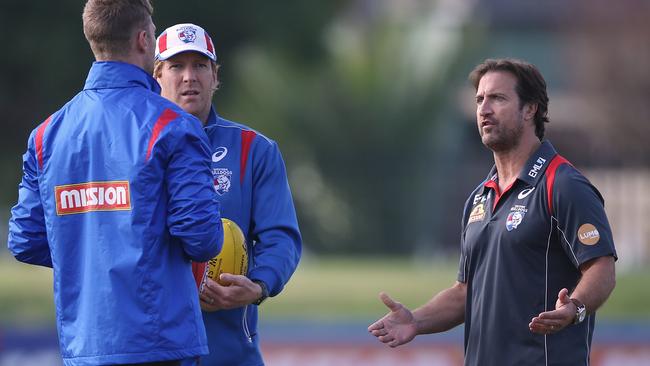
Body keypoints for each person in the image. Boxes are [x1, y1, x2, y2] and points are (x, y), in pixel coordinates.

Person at [7, 2, 223, 365]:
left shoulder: (46, 135)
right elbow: (201, 239)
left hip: (84, 346)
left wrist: (92, 252)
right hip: (159, 343)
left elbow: (25, 240)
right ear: (143, 40)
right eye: (154, 33)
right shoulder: (174, 126)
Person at [368, 58, 617, 366]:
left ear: (530, 109)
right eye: (479, 99)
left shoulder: (563, 185)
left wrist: (575, 307)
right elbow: (465, 293)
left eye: (498, 98)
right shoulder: (479, 197)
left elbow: (602, 268)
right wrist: (416, 321)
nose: (484, 109)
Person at [153, 23, 302, 365]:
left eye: (200, 65)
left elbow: (281, 236)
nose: (189, 77)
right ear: (156, 76)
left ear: (216, 76)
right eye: (177, 66)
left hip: (230, 351)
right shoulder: (133, 148)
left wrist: (260, 284)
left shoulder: (255, 149)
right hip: (153, 347)